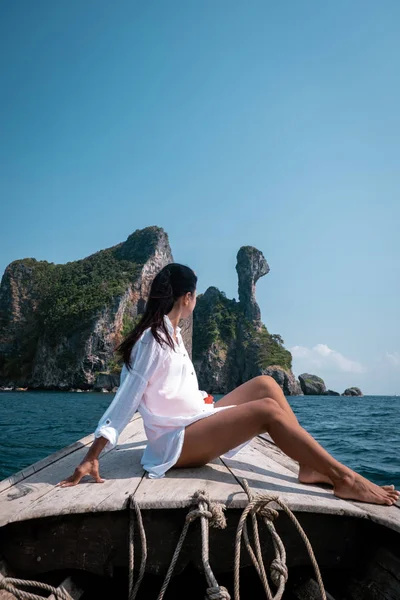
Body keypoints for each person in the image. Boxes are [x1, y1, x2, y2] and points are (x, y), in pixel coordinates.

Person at [59, 264, 399, 506]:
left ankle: (309, 465)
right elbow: (126, 399)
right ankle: (346, 480)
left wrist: (198, 399)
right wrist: (92, 455)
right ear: (188, 297)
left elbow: (165, 389)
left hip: (193, 420)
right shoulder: (153, 340)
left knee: (266, 384)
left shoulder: (172, 335)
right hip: (174, 443)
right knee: (266, 411)